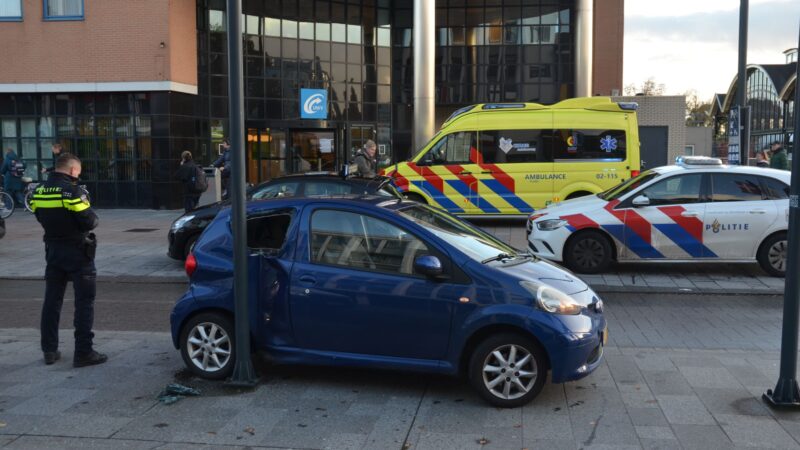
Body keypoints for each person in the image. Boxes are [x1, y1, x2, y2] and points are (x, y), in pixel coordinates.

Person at [31, 153, 107, 368]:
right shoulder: (72, 191)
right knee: (84, 302)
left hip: (53, 251)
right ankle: (83, 352)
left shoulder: (39, 191)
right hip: (77, 252)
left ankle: (49, 350)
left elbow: (39, 216)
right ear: (73, 170)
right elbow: (89, 221)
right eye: (78, 172)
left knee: (52, 301)